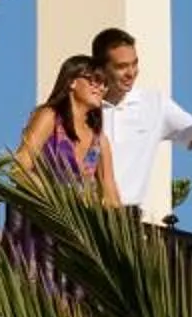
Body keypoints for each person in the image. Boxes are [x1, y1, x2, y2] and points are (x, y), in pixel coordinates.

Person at [91, 26, 192, 216]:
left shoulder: (155, 104)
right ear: (100, 68)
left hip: (126, 223)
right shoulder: (81, 105)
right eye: (121, 67)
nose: (131, 72)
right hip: (77, 219)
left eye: (134, 64)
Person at [14, 54, 122, 208]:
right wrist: (57, 197)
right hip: (35, 221)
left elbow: (111, 197)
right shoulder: (50, 117)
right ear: (72, 82)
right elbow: (19, 168)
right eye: (95, 80)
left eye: (105, 83)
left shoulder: (99, 142)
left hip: (73, 229)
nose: (101, 87)